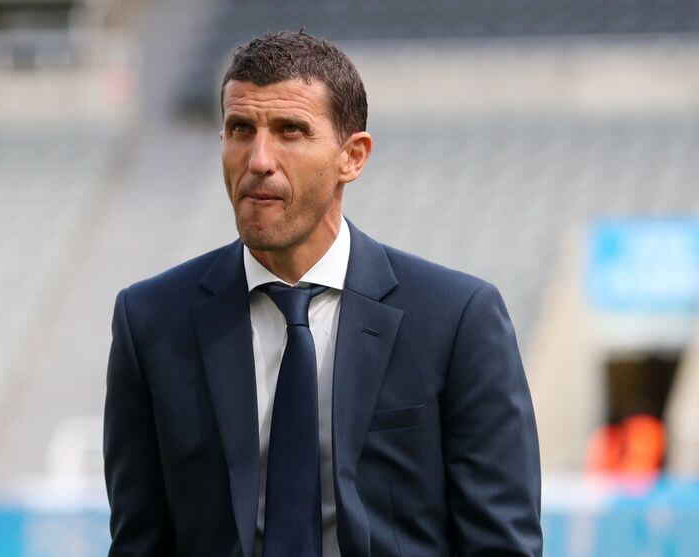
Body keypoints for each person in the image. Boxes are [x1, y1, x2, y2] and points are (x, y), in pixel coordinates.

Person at [104, 30, 542, 557]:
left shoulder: (456, 319)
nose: (258, 159)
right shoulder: (150, 320)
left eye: (290, 130)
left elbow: (501, 544)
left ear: (351, 157)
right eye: (240, 129)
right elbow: (139, 541)